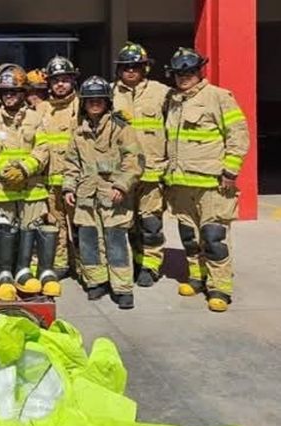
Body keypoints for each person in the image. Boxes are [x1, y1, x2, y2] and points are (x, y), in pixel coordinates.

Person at [164, 47, 249, 313]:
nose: (184, 77)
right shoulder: (173, 101)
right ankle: (196, 278)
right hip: (181, 183)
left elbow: (238, 134)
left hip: (212, 184)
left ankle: (219, 288)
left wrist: (230, 171)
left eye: (189, 72)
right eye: (179, 73)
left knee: (214, 237)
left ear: (199, 71)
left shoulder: (219, 97)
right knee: (189, 236)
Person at [0, 64, 60, 300]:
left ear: (23, 93)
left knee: (31, 233)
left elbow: (43, 149)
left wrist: (24, 169)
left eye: (13, 91)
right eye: (4, 92)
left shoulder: (35, 118)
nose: (9, 96)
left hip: (31, 190)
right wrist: (5, 170)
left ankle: (25, 274)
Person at [62, 76, 142, 310]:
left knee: (116, 241)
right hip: (86, 196)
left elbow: (134, 161)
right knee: (88, 241)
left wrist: (121, 185)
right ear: (84, 104)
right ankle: (96, 281)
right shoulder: (79, 133)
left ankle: (122, 288)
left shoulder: (122, 129)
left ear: (108, 102)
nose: (95, 103)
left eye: (99, 99)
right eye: (90, 100)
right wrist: (69, 187)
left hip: (113, 196)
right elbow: (71, 163)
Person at [112, 42, 171, 288]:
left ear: (145, 68)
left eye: (135, 66)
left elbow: (174, 130)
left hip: (152, 171)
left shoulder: (163, 93)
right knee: (126, 223)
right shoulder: (109, 94)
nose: (130, 71)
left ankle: (150, 265)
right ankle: (133, 262)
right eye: (126, 67)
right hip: (121, 173)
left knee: (151, 223)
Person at [35, 55, 82, 281]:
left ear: (73, 80)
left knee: (80, 226)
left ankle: (83, 267)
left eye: (65, 79)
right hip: (50, 180)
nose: (60, 84)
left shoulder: (83, 105)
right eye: (55, 80)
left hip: (78, 181)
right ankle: (61, 263)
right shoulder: (41, 109)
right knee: (55, 224)